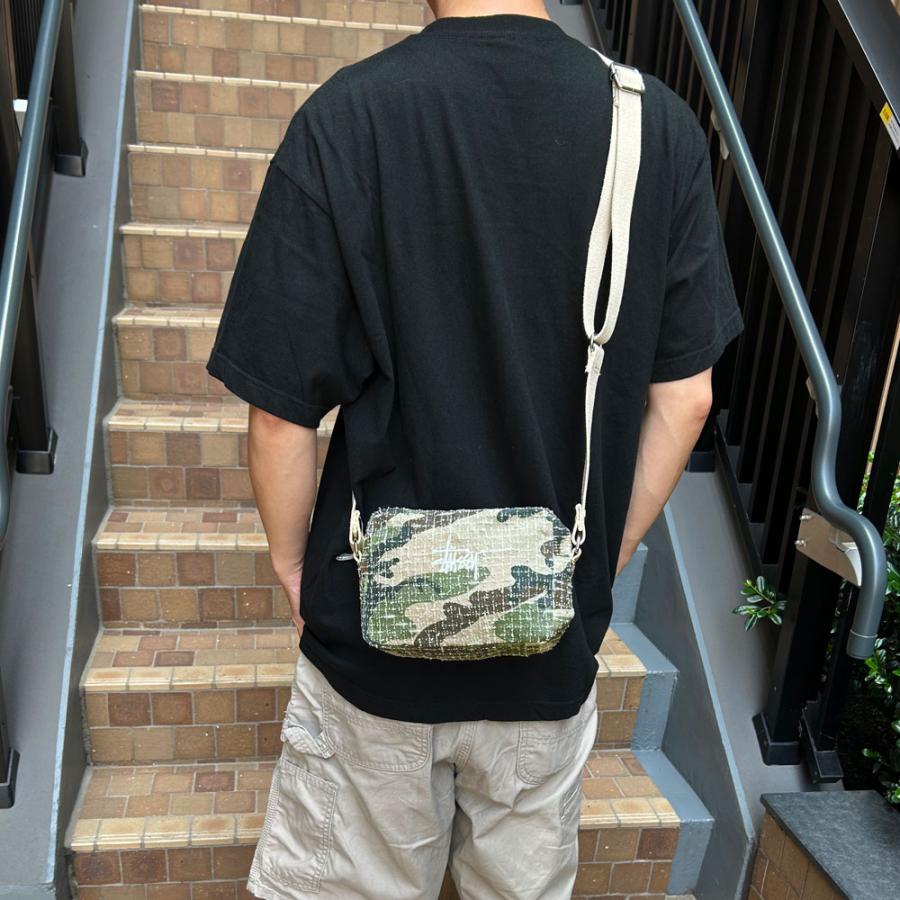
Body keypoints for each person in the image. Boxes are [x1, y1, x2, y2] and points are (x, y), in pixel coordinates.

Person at [205, 0, 744, 897]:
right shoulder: (654, 129)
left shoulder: (349, 115)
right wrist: (596, 559)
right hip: (546, 647)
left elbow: (280, 416)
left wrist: (296, 570)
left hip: (375, 644)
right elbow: (687, 399)